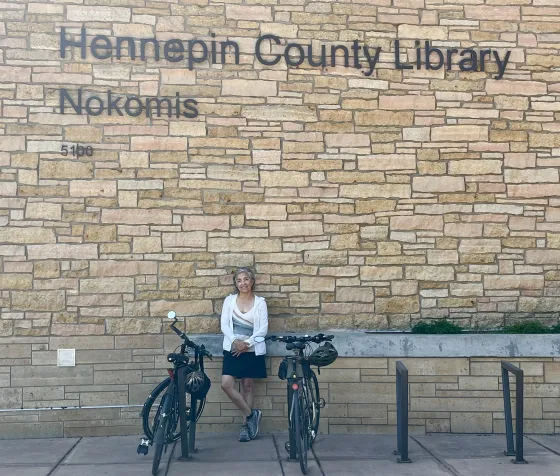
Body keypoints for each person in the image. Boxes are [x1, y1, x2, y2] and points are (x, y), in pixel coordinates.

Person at [220, 267, 268, 442]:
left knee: (248, 385)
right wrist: (236, 342)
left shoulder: (260, 302)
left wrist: (247, 344)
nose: (243, 283)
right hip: (233, 348)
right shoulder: (229, 301)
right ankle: (251, 415)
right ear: (235, 283)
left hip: (252, 349)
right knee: (226, 384)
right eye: (239, 280)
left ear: (252, 281)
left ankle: (246, 428)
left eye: (246, 279)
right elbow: (224, 325)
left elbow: (263, 329)